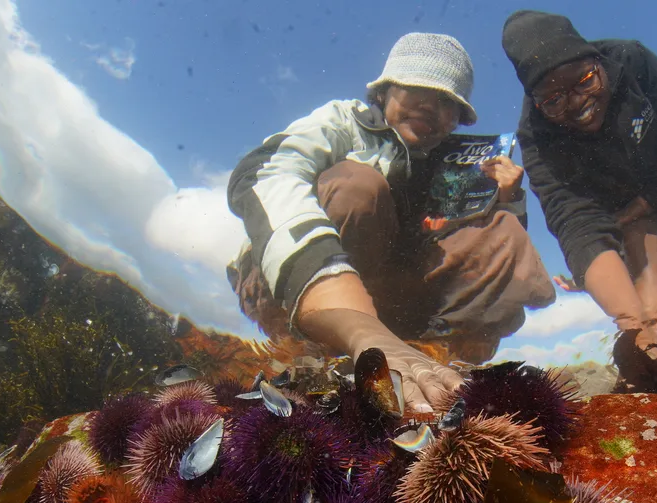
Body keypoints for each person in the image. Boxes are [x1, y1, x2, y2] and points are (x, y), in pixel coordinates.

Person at [226, 33, 556, 414]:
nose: (431, 107)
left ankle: (435, 367)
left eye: (448, 102)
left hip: (390, 299)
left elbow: (491, 262)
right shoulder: (341, 122)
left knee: (503, 232)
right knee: (356, 186)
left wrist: (509, 199)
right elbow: (263, 175)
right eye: (417, 88)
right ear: (383, 92)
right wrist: (344, 309)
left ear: (457, 119)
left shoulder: (459, 168)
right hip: (290, 289)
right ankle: (312, 343)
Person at [501, 11, 657, 367]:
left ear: (598, 62)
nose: (578, 104)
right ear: (539, 102)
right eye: (554, 101)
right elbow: (573, 221)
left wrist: (651, 197)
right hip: (624, 207)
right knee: (639, 250)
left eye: (585, 81)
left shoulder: (633, 60)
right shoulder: (537, 136)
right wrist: (632, 325)